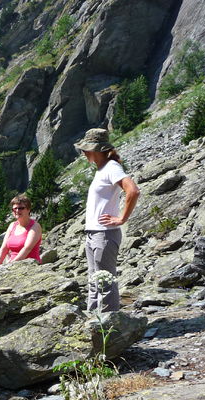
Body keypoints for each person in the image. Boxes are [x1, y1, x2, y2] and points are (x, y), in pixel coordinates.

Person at [74, 128, 140, 311]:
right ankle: (95, 322)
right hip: (94, 233)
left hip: (104, 234)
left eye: (86, 149)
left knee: (104, 281)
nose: (83, 152)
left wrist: (121, 218)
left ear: (96, 150)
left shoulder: (112, 167)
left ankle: (109, 325)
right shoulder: (102, 169)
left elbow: (133, 190)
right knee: (95, 279)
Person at [0, 194, 42, 265]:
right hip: (12, 266)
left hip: (30, 266)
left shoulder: (35, 226)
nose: (17, 211)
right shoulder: (12, 225)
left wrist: (11, 265)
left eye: (21, 208)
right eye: (14, 208)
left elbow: (27, 248)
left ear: (28, 209)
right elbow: (4, 248)